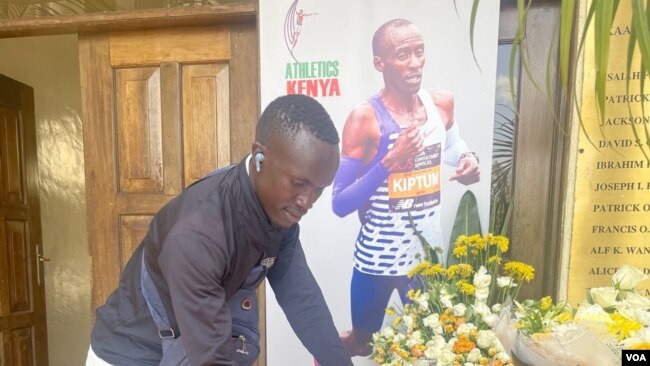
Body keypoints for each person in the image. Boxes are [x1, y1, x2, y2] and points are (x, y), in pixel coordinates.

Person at [87, 94, 354, 366]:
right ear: (259, 156)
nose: (307, 202)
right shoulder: (198, 234)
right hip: (129, 352)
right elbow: (212, 358)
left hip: (190, 347)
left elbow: (302, 301)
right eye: (299, 183)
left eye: (319, 189)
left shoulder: (280, 214)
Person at [331, 18, 480, 357]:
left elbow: (454, 146)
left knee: (434, 347)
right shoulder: (364, 119)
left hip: (426, 262)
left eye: (419, 52)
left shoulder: (440, 104)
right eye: (403, 54)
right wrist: (389, 161)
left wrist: (469, 159)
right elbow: (339, 203)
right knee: (363, 344)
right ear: (380, 64)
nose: (415, 63)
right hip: (376, 262)